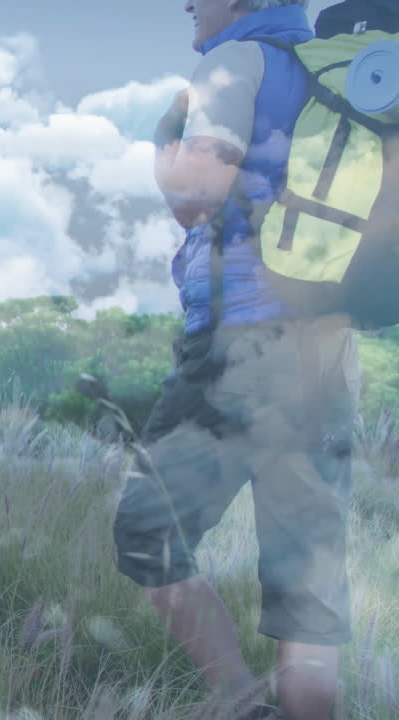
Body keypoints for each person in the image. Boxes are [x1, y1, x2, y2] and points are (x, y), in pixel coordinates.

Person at [112, 1, 362, 718]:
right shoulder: (333, 79)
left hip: (243, 348)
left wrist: (165, 145)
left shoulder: (234, 61)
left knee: (147, 531)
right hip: (329, 351)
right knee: (306, 581)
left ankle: (240, 700)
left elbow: (197, 192)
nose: (187, 2)